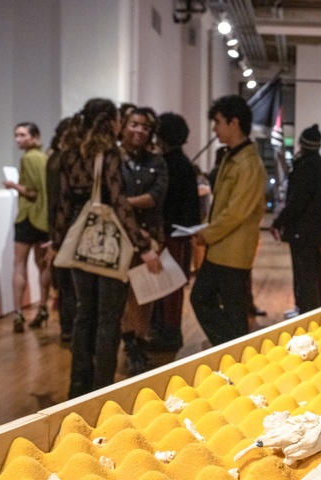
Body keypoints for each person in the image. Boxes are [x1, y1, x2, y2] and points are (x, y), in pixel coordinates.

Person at [47, 98, 161, 398]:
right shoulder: (107, 153)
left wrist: (56, 243)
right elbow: (119, 203)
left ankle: (77, 386)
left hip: (78, 240)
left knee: (84, 313)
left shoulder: (69, 153)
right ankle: (101, 389)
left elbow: (63, 203)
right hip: (107, 242)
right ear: (112, 122)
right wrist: (143, 245)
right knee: (109, 316)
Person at [190, 95, 267, 346]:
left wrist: (207, 234)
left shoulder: (248, 164)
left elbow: (236, 211)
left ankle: (233, 352)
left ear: (234, 123)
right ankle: (229, 348)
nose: (214, 128)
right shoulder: (232, 157)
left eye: (218, 122)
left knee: (230, 310)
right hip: (221, 248)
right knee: (203, 298)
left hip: (233, 251)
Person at [118, 106, 168, 375]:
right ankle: (129, 345)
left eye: (145, 127)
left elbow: (156, 196)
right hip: (121, 238)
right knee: (125, 296)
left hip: (152, 235)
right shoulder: (113, 158)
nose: (139, 130)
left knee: (146, 295)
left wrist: (123, 203)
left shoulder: (156, 161)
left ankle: (137, 341)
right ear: (123, 125)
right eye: (134, 124)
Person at [147, 112, 201, 353]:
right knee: (170, 286)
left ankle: (168, 332)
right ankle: (165, 330)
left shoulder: (168, 165)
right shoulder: (184, 165)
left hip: (170, 234)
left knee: (167, 287)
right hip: (178, 234)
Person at [271, 124, 321, 316]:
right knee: (315, 274)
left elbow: (297, 202)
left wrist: (279, 221)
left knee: (303, 275)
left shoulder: (304, 168)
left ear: (302, 144)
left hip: (302, 230)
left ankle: (306, 313)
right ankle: (316, 311)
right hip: (318, 231)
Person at [3, 122, 51, 333]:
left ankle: (18, 313)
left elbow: (31, 192)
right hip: (44, 219)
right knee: (43, 265)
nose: (18, 139)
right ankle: (42, 307)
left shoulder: (28, 158)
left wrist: (13, 185)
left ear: (34, 137)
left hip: (28, 217)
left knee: (19, 264)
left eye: (22, 135)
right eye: (16, 135)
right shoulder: (45, 158)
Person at [45, 117, 76, 342]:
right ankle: (70, 328)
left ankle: (67, 327)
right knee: (71, 283)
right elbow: (61, 201)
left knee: (65, 283)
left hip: (58, 227)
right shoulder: (65, 160)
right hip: (66, 228)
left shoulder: (54, 158)